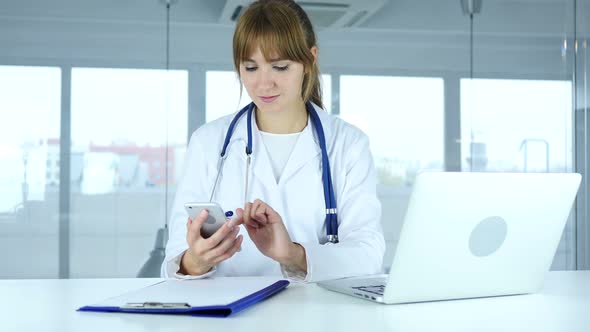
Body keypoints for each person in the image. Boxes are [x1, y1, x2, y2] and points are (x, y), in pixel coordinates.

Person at [162, 0, 384, 282]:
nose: (264, 84)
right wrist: (196, 260)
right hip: (231, 321)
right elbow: (174, 261)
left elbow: (369, 254)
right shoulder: (208, 142)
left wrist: (293, 254)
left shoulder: (348, 144)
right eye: (251, 68)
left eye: (280, 67)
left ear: (309, 60)